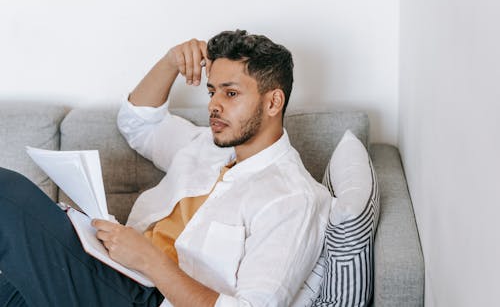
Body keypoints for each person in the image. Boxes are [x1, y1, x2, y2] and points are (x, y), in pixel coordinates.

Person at [0, 30, 331, 307]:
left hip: (150, 298)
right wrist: (172, 61)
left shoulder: (293, 198)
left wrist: (148, 260)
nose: (214, 105)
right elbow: (137, 124)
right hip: (115, 270)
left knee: (7, 194)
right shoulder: (207, 146)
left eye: (231, 93)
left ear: (273, 102)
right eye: (213, 91)